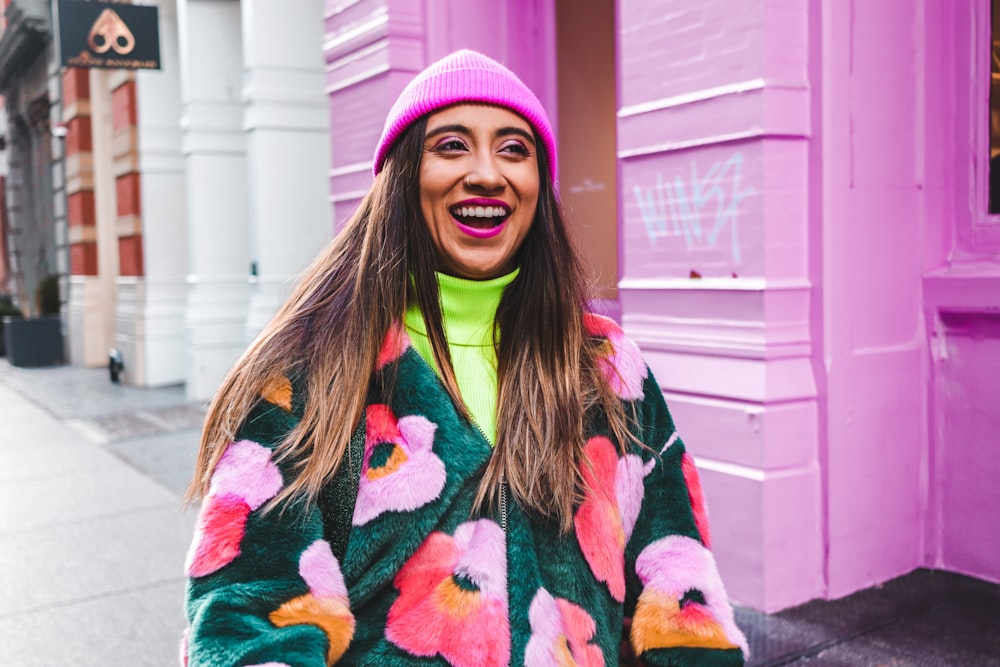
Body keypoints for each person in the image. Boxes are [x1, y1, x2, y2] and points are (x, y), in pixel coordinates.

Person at [181, 49, 748, 667]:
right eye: (451, 145)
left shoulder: (607, 367)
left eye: (513, 149)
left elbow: (679, 582)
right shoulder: (309, 370)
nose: (486, 173)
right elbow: (247, 615)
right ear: (402, 178)